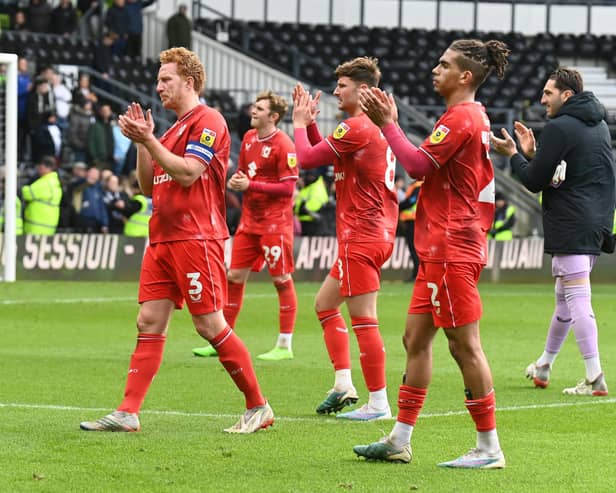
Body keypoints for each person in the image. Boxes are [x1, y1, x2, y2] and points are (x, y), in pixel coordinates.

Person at [80, 47, 274, 433]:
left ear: (189, 82)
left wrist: (151, 142)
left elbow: (188, 173)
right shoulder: (168, 130)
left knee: (209, 325)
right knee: (148, 320)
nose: (159, 86)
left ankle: (259, 406)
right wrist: (141, 142)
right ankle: (128, 412)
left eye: (166, 79)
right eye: (158, 80)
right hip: (163, 238)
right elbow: (149, 185)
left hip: (195, 236)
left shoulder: (209, 120)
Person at [353, 39, 510, 468]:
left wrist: (389, 124)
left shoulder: (461, 116)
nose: (434, 70)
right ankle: (399, 439)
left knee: (465, 347)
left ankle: (488, 448)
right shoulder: (469, 115)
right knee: (415, 339)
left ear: (465, 76)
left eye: (443, 65)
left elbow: (418, 166)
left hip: (452, 246)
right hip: (441, 246)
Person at [491, 67, 615, 396]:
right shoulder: (599, 124)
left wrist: (514, 155)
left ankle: (594, 376)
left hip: (571, 223)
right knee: (564, 300)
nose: (542, 99)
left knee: (576, 299)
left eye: (548, 93)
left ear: (566, 95)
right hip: (595, 222)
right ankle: (544, 364)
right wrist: (534, 154)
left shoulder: (560, 127)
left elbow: (533, 182)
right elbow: (568, 174)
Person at [292, 57, 398, 421]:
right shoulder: (372, 127)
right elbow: (324, 153)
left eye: (342, 85)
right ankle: (342, 383)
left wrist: (299, 124)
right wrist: (309, 127)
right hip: (376, 231)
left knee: (364, 319)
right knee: (325, 304)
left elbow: (305, 160)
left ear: (363, 90)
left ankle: (379, 403)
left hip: (362, 235)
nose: (336, 91)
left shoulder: (356, 126)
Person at [193, 90, 299, 361]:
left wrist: (250, 185)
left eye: (260, 108)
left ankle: (284, 346)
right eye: (255, 106)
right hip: (249, 222)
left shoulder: (284, 144)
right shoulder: (250, 138)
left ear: (273, 116)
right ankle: (222, 340)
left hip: (275, 225)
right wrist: (236, 181)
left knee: (281, 280)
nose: (253, 111)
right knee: (234, 277)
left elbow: (288, 189)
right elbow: (243, 173)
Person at [21, 156, 62, 235]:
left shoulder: (45, 182)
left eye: (40, 167)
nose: (38, 169)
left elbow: (26, 193)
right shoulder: (55, 181)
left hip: (36, 226)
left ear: (46, 167)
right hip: (49, 225)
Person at [398, 178, 422, 280]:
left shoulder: (418, 185)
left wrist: (398, 207)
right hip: (411, 220)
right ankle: (416, 273)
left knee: (414, 248)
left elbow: (411, 201)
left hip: (414, 220)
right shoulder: (415, 185)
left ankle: (417, 274)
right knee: (413, 248)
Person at [294, 168, 329, 236]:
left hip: (312, 224)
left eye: (302, 177)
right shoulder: (308, 186)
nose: (300, 180)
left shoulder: (316, 188)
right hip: (303, 222)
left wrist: (298, 208)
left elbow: (311, 208)